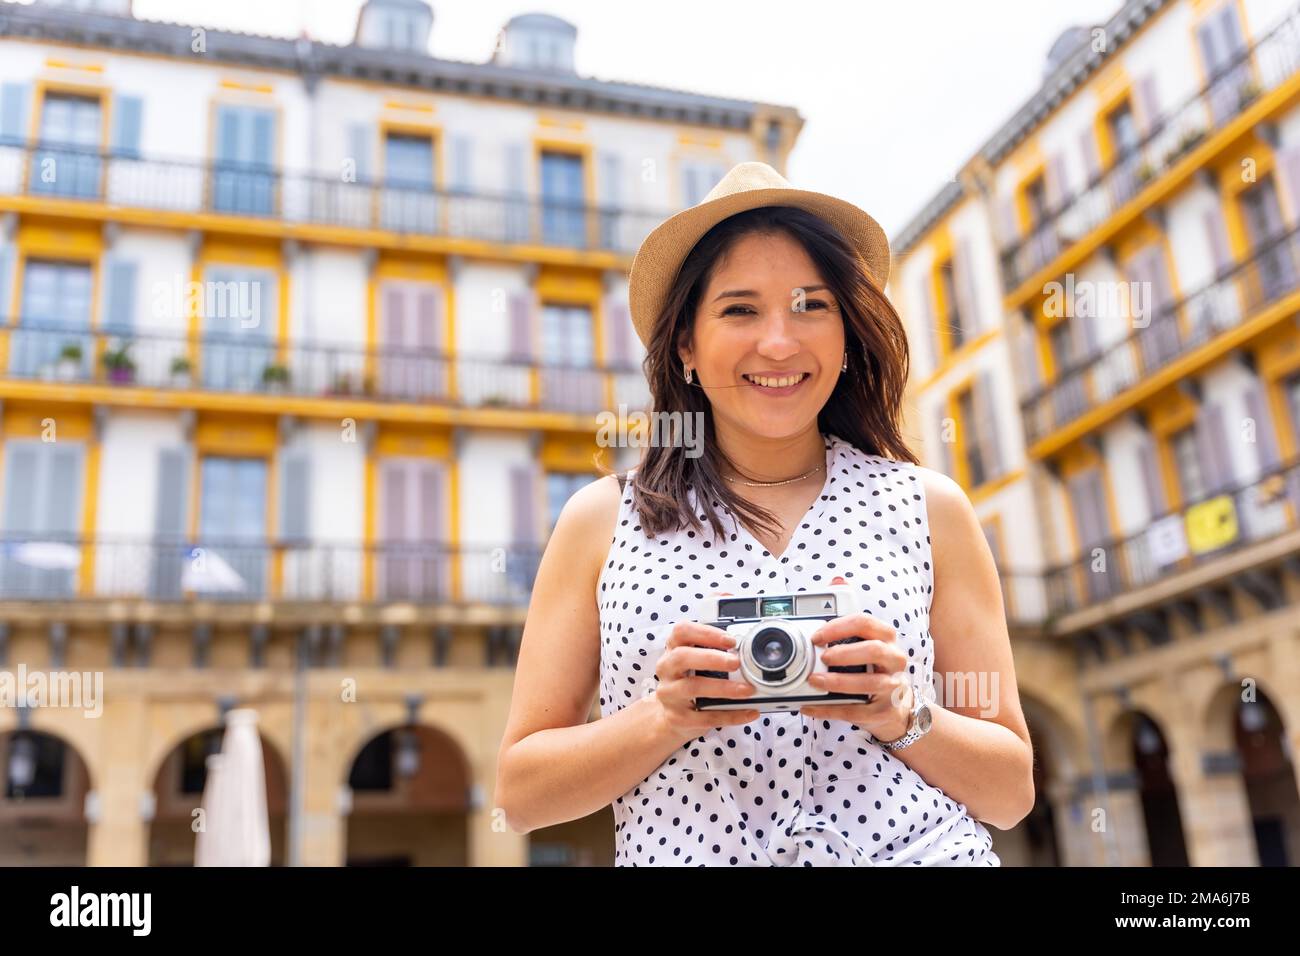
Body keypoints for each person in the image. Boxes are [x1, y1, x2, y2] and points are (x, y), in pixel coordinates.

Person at [496, 161, 1033, 866]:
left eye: (811, 305)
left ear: (846, 336)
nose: (779, 342)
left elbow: (1010, 793)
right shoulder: (601, 521)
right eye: (740, 309)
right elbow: (520, 797)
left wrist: (905, 712)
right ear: (685, 343)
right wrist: (662, 717)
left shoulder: (929, 508)